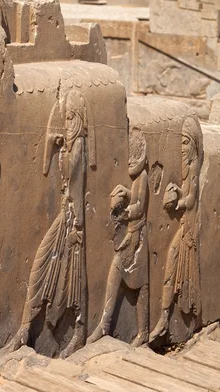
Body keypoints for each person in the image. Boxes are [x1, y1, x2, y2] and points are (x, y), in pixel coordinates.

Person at [2, 90, 96, 358]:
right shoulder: (72, 144)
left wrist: (61, 146)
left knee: (72, 279)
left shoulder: (78, 146)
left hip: (73, 220)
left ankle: (77, 333)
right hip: (67, 216)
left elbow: (69, 171)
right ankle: (25, 329)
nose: (66, 125)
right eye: (64, 120)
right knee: (46, 267)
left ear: (77, 120)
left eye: (69, 120)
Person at [88, 126, 149, 347]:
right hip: (133, 238)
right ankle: (107, 324)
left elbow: (140, 207)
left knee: (140, 285)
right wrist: (127, 193)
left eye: (135, 158)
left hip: (137, 239)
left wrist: (125, 211)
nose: (131, 162)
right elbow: (136, 197)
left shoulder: (143, 176)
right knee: (128, 278)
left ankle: (141, 332)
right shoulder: (137, 179)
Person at [149, 116, 202, 344]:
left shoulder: (194, 167)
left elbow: (191, 200)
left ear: (193, 145)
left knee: (173, 264)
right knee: (172, 268)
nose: (182, 147)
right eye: (181, 142)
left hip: (188, 230)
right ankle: (163, 319)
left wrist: (177, 201)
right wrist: (177, 191)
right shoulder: (187, 167)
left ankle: (165, 319)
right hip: (185, 226)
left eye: (185, 143)